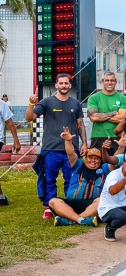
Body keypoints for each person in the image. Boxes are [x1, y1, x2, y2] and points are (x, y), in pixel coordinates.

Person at [25, 74, 86, 218]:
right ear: (56, 85)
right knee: (49, 179)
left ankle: (69, 205)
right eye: (61, 83)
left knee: (71, 178)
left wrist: (85, 143)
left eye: (66, 83)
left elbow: (80, 125)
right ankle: (49, 206)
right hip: (51, 148)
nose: (64, 86)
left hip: (71, 149)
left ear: (70, 85)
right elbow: (29, 118)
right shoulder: (47, 102)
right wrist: (31, 103)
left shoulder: (75, 103)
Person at [48, 131, 108, 227]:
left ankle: (71, 219)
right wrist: (68, 141)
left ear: (100, 160)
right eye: (90, 157)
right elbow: (71, 154)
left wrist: (121, 147)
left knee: (103, 201)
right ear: (85, 158)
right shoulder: (78, 166)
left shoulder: (104, 168)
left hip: (92, 204)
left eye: (96, 158)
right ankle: (82, 220)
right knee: (53, 201)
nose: (93, 160)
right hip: (72, 203)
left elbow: (114, 161)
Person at [87, 72, 126, 149]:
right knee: (96, 161)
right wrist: (113, 113)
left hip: (116, 136)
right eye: (107, 80)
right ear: (102, 82)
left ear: (116, 82)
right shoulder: (93, 98)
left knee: (115, 161)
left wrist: (100, 116)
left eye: (112, 80)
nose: (109, 83)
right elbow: (93, 118)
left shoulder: (123, 98)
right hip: (98, 135)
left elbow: (122, 118)